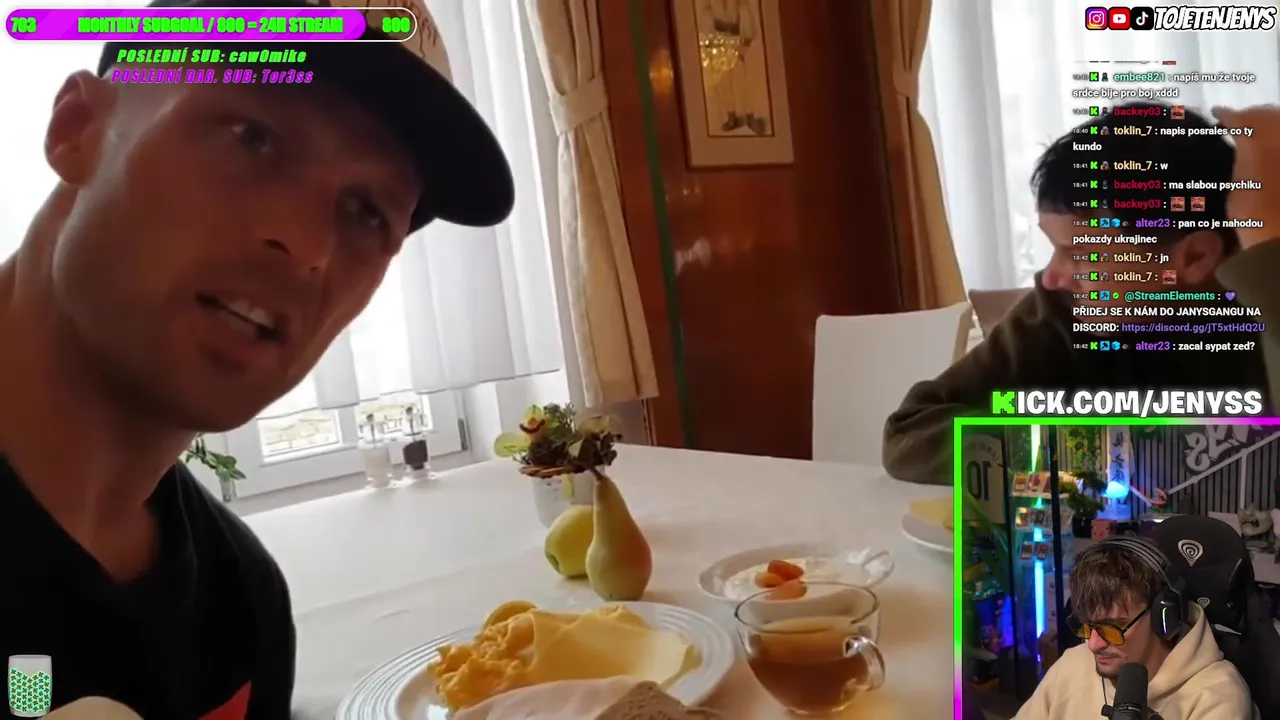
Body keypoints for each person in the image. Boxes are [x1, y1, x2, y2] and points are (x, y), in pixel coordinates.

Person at [0, 0, 514, 716]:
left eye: (367, 211)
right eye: (252, 138)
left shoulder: (239, 607)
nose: (308, 246)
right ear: (77, 128)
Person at [883, 101, 1279, 485]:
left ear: (1194, 257)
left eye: (1079, 255)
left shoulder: (1266, 299)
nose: (1052, 278)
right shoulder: (1065, 310)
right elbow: (910, 433)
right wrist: (1103, 446)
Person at [1014, 537, 1253, 719]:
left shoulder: (1219, 697)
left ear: (1164, 616)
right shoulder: (1071, 665)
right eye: (1088, 626)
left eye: (1112, 628)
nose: (1093, 645)